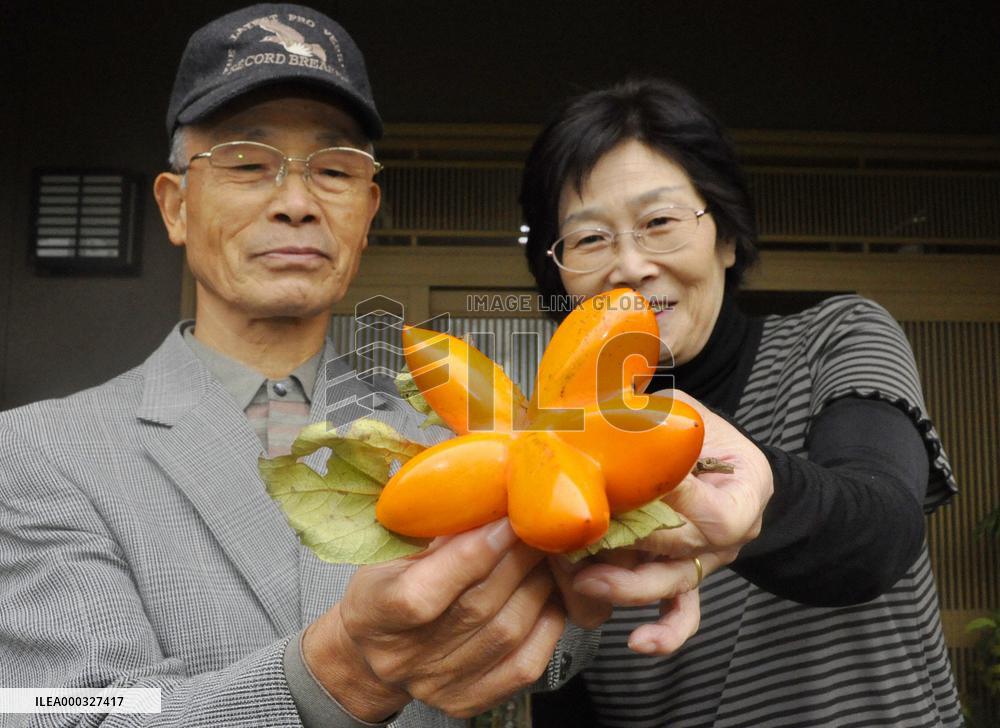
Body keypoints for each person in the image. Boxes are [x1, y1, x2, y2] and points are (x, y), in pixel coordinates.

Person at [0, 6, 600, 727]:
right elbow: (69, 709)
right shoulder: (39, 454)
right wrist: (337, 675)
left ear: (367, 208)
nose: (295, 203)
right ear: (176, 206)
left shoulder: (457, 435)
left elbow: (553, 656)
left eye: (335, 169)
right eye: (248, 164)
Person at [520, 78, 963, 726]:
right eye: (589, 240)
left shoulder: (835, 338)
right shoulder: (554, 454)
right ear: (556, 274)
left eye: (660, 222)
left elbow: (880, 524)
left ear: (726, 237)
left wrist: (757, 494)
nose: (630, 265)